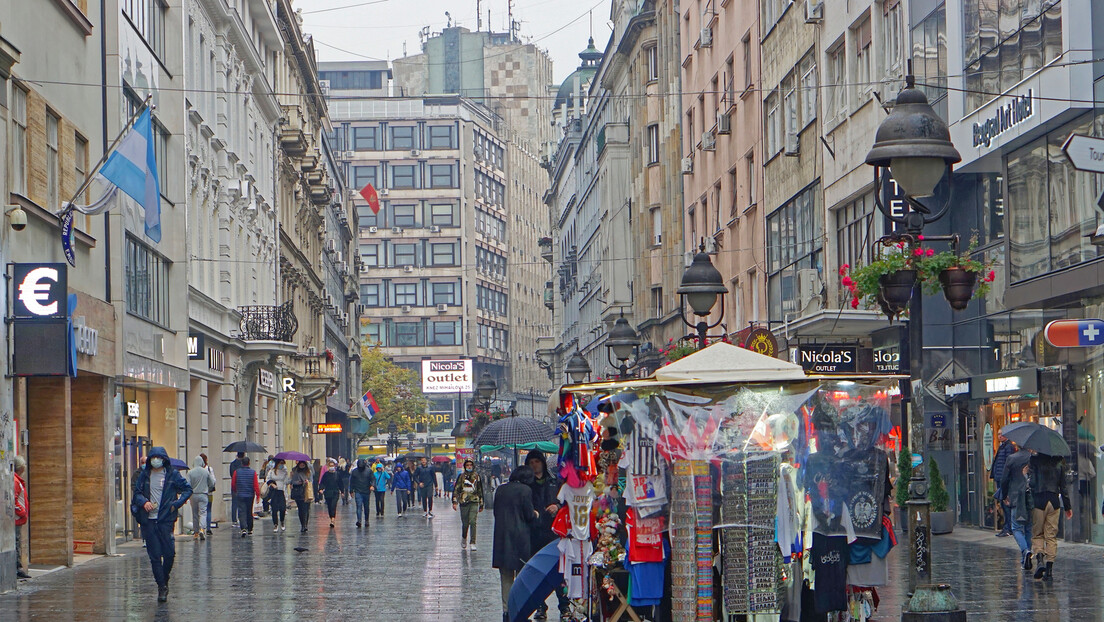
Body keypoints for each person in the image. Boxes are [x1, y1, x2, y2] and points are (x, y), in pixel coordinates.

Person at [131, 447, 192, 602]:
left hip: (166, 519)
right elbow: (137, 493)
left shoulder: (172, 474)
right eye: (154, 457)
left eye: (159, 457)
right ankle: (162, 587)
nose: (156, 460)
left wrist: (176, 504)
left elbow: (187, 489)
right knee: (155, 556)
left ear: (164, 459)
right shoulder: (144, 475)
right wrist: (144, 502)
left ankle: (164, 578)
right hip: (149, 521)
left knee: (170, 553)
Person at [492, 466, 539, 622]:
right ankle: (520, 611)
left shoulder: (500, 489)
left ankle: (507, 612)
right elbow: (528, 514)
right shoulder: (525, 490)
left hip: (501, 538)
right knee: (521, 577)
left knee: (506, 577)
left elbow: (495, 512)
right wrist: (535, 514)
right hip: (520, 539)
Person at [524, 449, 564, 620]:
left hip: (554, 531)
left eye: (537, 462)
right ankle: (541, 606)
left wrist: (557, 507)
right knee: (537, 574)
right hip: (534, 533)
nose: (534, 465)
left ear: (542, 463)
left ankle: (565, 605)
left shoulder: (555, 481)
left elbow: (565, 501)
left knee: (558, 572)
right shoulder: (526, 485)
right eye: (531, 463)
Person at [1028, 451, 1072, 580]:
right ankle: (1049, 570)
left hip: (1039, 500)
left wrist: (1026, 474)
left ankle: (1040, 560)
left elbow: (1032, 484)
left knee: (1038, 534)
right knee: (1051, 536)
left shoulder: (1034, 460)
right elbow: (1063, 487)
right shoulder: (1059, 463)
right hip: (1054, 501)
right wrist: (1068, 507)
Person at [1000, 449, 1033, 569]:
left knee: (1016, 528)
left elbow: (1004, 479)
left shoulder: (1011, 458)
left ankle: (1025, 551)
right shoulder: (1032, 458)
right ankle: (1026, 558)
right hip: (1029, 497)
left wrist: (1004, 495)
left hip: (1015, 497)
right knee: (1029, 528)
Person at [452, 459, 485, 550]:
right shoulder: (461, 477)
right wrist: (454, 502)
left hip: (474, 501)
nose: (469, 466)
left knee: (473, 522)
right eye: (467, 465)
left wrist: (481, 504)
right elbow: (456, 489)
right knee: (465, 523)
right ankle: (464, 537)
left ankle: (473, 542)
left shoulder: (476, 476)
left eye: (471, 465)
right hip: (464, 502)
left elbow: (479, 490)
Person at [990, 435, 1016, 536]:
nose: (999, 436)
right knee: (1003, 502)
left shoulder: (1008, 447)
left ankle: (1008, 527)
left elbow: (1007, 464)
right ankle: (1007, 526)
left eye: (1002, 434)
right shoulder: (1002, 446)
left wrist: (1004, 476)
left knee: (1005, 502)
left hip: (1003, 478)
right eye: (999, 434)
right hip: (1000, 477)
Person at [185, 455, 215, 541]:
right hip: (203, 494)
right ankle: (202, 529)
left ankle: (196, 532)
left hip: (193, 495)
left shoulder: (190, 472)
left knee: (195, 513)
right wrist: (208, 488)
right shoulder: (205, 472)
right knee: (203, 512)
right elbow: (212, 483)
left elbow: (187, 485)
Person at [231, 456, 260, 537]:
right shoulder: (253, 472)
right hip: (250, 495)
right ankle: (250, 529)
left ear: (241, 463)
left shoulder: (236, 472)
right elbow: (255, 485)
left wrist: (236, 490)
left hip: (240, 494)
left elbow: (233, 484)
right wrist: (258, 495)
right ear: (249, 463)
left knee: (242, 512)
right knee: (249, 511)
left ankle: (243, 527)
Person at [13, 456, 29, 579]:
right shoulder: (16, 481)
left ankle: (18, 568)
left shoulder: (18, 480)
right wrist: (22, 512)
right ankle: (17, 569)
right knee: (16, 542)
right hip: (17, 518)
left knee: (18, 541)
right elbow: (14, 501)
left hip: (18, 518)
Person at [289, 461, 314, 532]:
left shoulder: (308, 471)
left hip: (306, 491)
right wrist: (298, 482)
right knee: (301, 509)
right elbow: (292, 481)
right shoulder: (295, 471)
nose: (302, 465)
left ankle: (305, 524)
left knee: (306, 508)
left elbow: (311, 480)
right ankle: (303, 524)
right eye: (301, 463)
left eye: (303, 463)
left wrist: (307, 482)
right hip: (298, 491)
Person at [349, 459, 374, 528]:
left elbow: (372, 479)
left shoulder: (368, 471)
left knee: (366, 507)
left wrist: (372, 485)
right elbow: (352, 482)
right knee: (359, 506)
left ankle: (366, 520)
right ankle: (359, 520)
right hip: (358, 491)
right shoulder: (355, 472)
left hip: (365, 491)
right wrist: (351, 490)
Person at [266, 459, 289, 532]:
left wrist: (289, 476)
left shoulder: (284, 472)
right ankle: (275, 524)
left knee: (282, 508)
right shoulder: (272, 471)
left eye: (283, 463)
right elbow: (267, 480)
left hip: (281, 491)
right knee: (274, 508)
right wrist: (272, 484)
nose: (281, 465)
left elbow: (286, 482)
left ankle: (282, 521)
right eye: (280, 463)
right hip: (274, 491)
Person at [319, 458, 341, 528]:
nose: (331, 467)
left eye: (333, 465)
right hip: (328, 492)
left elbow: (340, 483)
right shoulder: (326, 474)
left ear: (334, 466)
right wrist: (321, 489)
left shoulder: (337, 474)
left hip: (335, 492)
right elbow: (322, 483)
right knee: (329, 506)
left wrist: (342, 491)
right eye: (330, 465)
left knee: (333, 506)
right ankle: (331, 517)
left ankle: (333, 520)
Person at [200, 453, 215, 536]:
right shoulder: (209, 469)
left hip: (199, 493)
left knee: (201, 511)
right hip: (209, 493)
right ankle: (208, 528)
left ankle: (201, 528)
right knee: (208, 510)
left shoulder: (196, 470)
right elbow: (213, 481)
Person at [229, 452, 244, 526]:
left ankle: (234, 520)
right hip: (241, 485)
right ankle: (240, 518)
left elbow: (231, 474)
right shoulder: (243, 465)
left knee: (234, 503)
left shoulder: (232, 464)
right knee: (241, 503)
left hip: (234, 484)